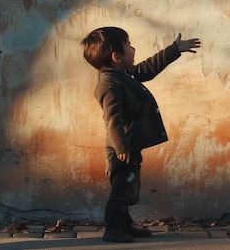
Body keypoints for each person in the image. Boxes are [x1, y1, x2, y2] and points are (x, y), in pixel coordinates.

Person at [81, 27, 200, 243]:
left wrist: (175, 49)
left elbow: (148, 68)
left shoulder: (122, 75)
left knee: (128, 187)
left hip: (129, 147)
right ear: (117, 57)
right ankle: (114, 229)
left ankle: (125, 225)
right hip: (121, 149)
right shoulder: (109, 84)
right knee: (122, 190)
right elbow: (112, 119)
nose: (133, 48)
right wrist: (121, 148)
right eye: (129, 46)